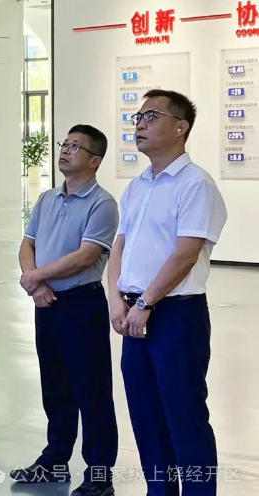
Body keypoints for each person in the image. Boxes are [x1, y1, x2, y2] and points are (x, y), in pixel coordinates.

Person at [108, 90, 227, 496]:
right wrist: (116, 299)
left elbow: (185, 255)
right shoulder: (137, 186)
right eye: (138, 117)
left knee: (184, 416)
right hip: (133, 314)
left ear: (181, 127)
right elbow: (120, 246)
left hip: (176, 316)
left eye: (151, 116)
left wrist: (145, 302)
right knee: (146, 416)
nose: (140, 124)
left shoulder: (196, 185)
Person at [12, 125, 119, 496]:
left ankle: (99, 474)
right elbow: (27, 244)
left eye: (76, 147)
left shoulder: (102, 204)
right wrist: (36, 283)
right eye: (65, 144)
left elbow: (86, 256)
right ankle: (54, 461)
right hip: (47, 303)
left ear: (95, 160)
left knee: (91, 391)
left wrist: (37, 277)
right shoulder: (47, 199)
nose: (65, 150)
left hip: (80, 305)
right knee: (55, 389)